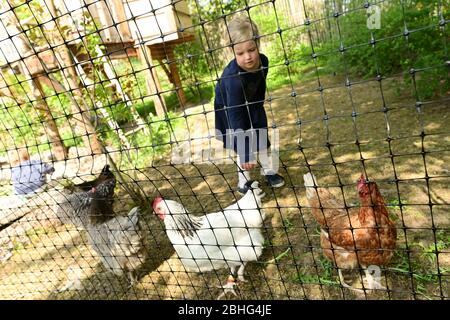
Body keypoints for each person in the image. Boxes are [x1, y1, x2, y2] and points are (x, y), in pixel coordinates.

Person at [214, 15, 284, 194]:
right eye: (240, 53)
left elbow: (260, 87)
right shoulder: (233, 80)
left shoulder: (264, 62)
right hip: (230, 107)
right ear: (233, 52)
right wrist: (246, 152)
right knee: (242, 141)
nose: (248, 57)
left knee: (261, 133)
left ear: (258, 44)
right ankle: (243, 182)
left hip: (253, 102)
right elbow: (236, 117)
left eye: (251, 50)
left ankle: (269, 171)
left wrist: (257, 110)